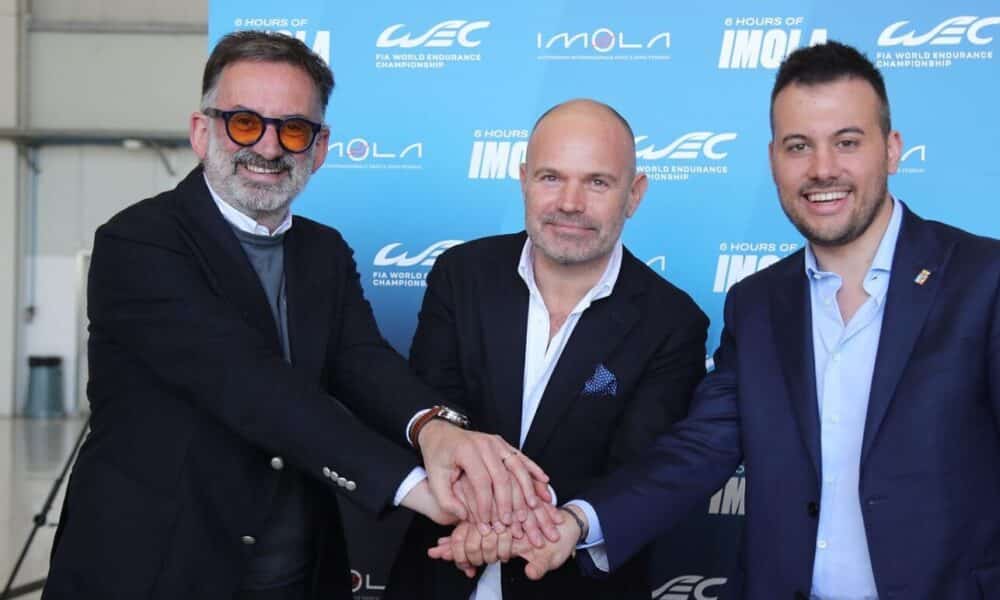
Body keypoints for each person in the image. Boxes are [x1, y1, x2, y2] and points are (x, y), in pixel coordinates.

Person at [432, 41, 1000, 599]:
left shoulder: (983, 280)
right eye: (798, 146)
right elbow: (698, 450)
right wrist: (575, 523)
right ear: (773, 159)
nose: (823, 168)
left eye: (847, 142)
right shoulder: (758, 304)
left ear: (892, 150)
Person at [42, 31, 550, 600]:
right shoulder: (138, 243)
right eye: (243, 123)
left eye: (292, 129)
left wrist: (436, 430)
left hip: (295, 570)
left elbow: (363, 362)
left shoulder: (323, 251)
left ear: (319, 146)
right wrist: (417, 486)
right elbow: (249, 384)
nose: (267, 147)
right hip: (156, 567)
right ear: (201, 131)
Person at [387, 99, 708, 599]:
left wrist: (527, 524)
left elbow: (637, 467)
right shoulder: (461, 274)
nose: (570, 203)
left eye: (597, 182)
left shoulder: (673, 321)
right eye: (551, 177)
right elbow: (433, 408)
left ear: (634, 194)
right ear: (524, 179)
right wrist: (476, 505)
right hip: (442, 572)